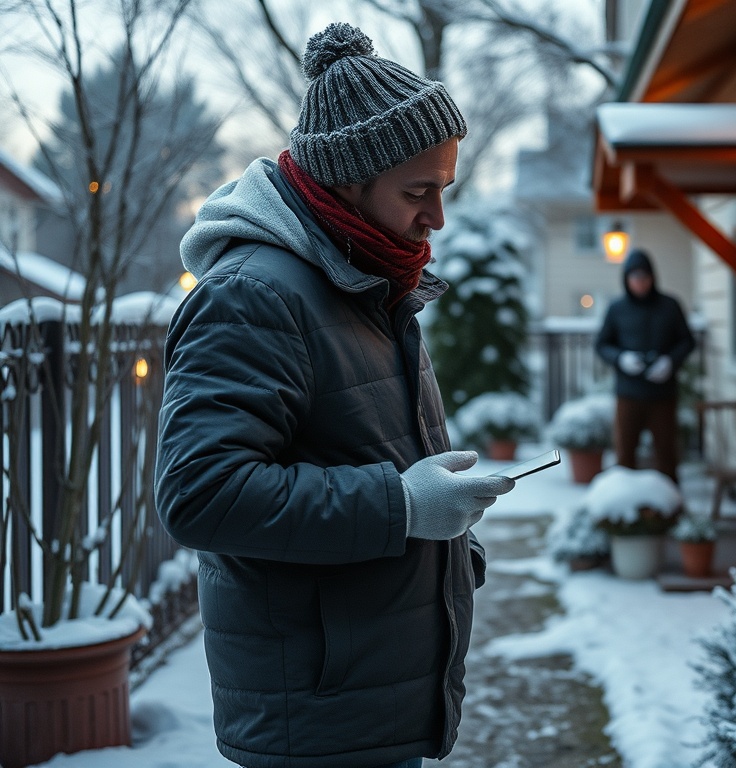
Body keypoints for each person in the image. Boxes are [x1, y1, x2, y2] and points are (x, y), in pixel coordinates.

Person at [155, 22, 515, 768]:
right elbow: (200, 494)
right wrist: (405, 507)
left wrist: (448, 549)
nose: (436, 218)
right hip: (315, 721)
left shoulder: (365, 281)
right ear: (347, 182)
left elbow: (355, 448)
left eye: (444, 189)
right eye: (418, 191)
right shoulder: (255, 295)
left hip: (366, 699)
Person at [596, 248, 697, 483]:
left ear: (652, 277)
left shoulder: (670, 306)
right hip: (628, 394)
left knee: (666, 454)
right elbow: (601, 344)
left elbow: (687, 341)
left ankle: (670, 509)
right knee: (625, 453)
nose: (640, 283)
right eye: (635, 277)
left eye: (644, 277)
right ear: (627, 279)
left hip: (662, 394)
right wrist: (621, 358)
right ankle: (624, 511)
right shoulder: (617, 309)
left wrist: (669, 362)